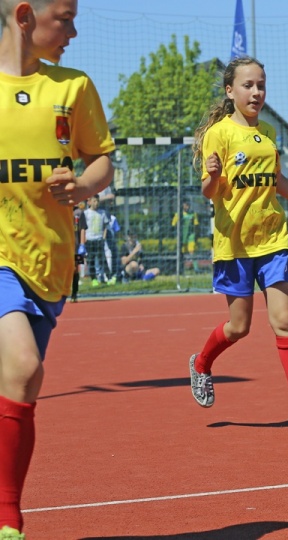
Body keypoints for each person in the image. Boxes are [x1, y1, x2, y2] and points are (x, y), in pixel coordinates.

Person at [0, 1, 115, 537]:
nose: (73, 29)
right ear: (25, 15)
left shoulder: (73, 87)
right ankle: (9, 522)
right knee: (23, 367)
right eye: (64, 17)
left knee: (17, 387)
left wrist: (85, 186)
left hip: (49, 265)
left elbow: (101, 160)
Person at [188, 56, 288, 437]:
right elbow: (209, 192)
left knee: (284, 321)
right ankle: (202, 362)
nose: (256, 92)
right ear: (230, 90)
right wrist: (213, 176)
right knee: (239, 328)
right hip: (234, 246)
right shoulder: (219, 134)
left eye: (261, 85)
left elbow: (277, 183)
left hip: (271, 240)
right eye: (248, 85)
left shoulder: (268, 133)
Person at [83, 194, 108, 284]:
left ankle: (106, 277)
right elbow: (83, 227)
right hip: (89, 240)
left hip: (99, 239)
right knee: (91, 260)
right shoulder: (86, 213)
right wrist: (84, 238)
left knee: (102, 259)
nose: (96, 203)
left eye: (97, 201)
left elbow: (105, 226)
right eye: (94, 201)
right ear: (90, 202)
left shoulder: (102, 213)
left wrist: (103, 237)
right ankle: (94, 279)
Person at [171, 200, 200, 273]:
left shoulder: (193, 214)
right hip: (182, 236)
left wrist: (196, 235)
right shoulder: (178, 214)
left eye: (188, 205)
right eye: (185, 205)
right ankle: (181, 269)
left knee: (192, 251)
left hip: (191, 236)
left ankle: (196, 269)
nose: (187, 207)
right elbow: (173, 225)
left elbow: (196, 225)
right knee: (182, 252)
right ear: (182, 206)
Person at [71, 204, 87, 303]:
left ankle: (74, 293)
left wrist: (82, 244)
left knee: (75, 268)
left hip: (76, 246)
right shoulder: (61, 210)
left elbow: (82, 228)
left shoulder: (79, 212)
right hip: (63, 246)